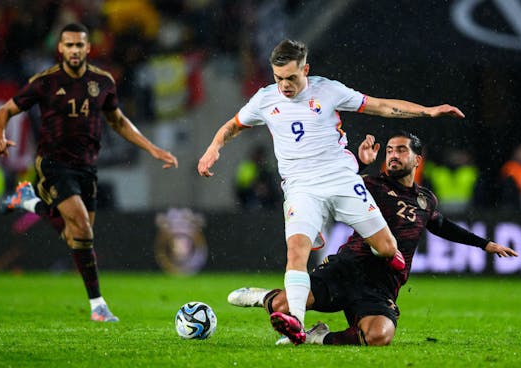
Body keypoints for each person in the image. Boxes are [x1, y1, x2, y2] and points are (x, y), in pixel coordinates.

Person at [197, 39, 465, 344]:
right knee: (296, 252)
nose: (284, 85)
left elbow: (379, 106)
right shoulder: (264, 100)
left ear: (306, 70)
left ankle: (277, 294)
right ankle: (295, 325)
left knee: (388, 248)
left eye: (291, 78)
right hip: (301, 188)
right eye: (278, 78)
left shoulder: (327, 90)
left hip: (341, 179)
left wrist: (427, 112)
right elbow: (231, 126)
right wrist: (213, 148)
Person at [227, 131, 518, 346]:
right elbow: (334, 184)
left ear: (417, 159)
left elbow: (441, 225)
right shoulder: (369, 185)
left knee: (378, 336)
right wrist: (361, 165)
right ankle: (262, 296)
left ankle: (320, 337)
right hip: (346, 268)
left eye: (401, 150)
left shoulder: (425, 199)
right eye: (389, 150)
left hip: (381, 286)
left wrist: (485, 244)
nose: (393, 155)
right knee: (282, 308)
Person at [0, 23, 178, 322]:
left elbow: (118, 121)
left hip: (87, 167)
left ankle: (28, 201)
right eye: (69, 45)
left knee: (75, 237)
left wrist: (152, 149)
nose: (75, 50)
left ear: (88, 48)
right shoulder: (45, 82)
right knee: (82, 227)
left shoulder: (103, 82)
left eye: (80, 45)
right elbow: (5, 111)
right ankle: (98, 306)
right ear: (61, 48)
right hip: (53, 163)